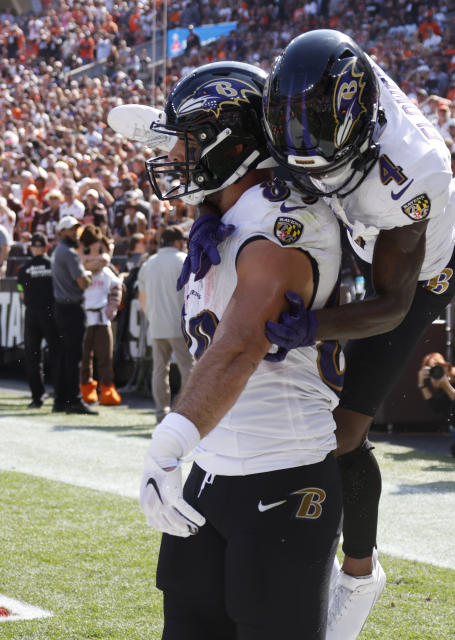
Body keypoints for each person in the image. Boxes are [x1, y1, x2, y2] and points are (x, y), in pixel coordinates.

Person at [258, 30, 455, 638]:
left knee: (343, 432)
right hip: (359, 228)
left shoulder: (412, 171)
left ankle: (359, 569)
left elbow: (388, 305)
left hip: (416, 277)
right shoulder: (315, 88)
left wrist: (313, 328)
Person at [139, 61, 343, 640]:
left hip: (282, 471)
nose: (176, 158)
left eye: (188, 143)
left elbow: (238, 347)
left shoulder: (282, 224)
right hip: (213, 470)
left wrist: (167, 444)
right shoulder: (227, 218)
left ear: (232, 145)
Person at [137, 225, 193, 422]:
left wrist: (151, 316)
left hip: (157, 324)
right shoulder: (182, 260)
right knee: (189, 369)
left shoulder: (148, 263)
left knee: (160, 370)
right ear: (177, 242)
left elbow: (142, 297)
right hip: (179, 323)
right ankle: (182, 410)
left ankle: (162, 412)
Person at [50, 215, 97, 415]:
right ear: (62, 232)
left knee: (63, 355)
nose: (75, 233)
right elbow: (82, 283)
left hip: (61, 307)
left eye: (76, 229)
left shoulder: (58, 251)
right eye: (71, 229)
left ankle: (61, 399)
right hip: (71, 308)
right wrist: (87, 277)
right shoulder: (69, 253)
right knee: (74, 356)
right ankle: (73, 400)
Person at [78, 224, 123, 406]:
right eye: (88, 251)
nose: (95, 257)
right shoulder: (80, 271)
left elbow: (116, 288)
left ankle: (107, 390)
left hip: (102, 319)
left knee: (105, 356)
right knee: (84, 357)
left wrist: (113, 306)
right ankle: (86, 389)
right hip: (84, 318)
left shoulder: (106, 273)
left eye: (99, 250)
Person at [17, 231, 58, 408]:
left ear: (32, 247)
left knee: (33, 356)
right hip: (51, 313)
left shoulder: (24, 269)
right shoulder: (53, 265)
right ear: (46, 247)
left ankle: (36, 397)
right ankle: (60, 393)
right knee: (57, 354)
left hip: (32, 314)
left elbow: (21, 294)